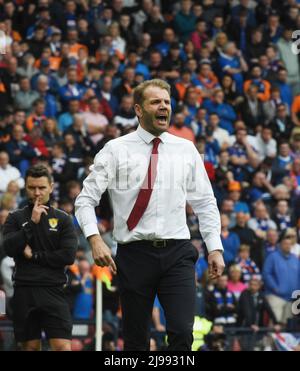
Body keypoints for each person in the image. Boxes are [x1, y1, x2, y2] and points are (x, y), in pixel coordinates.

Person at [75, 79, 225, 351]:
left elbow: (205, 202)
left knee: (181, 332)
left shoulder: (186, 149)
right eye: (156, 102)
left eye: (167, 102)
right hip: (133, 255)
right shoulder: (115, 149)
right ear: (138, 110)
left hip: (178, 252)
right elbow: (85, 200)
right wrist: (94, 238)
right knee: (136, 340)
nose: (163, 106)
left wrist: (214, 247)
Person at [3, 165, 78, 351]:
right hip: (24, 290)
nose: (37, 192)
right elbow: (9, 248)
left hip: (53, 289)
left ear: (51, 187)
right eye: (32, 187)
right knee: (30, 348)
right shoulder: (15, 218)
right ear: (25, 188)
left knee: (62, 347)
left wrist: (35, 255)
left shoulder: (63, 219)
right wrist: (31, 224)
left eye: (42, 187)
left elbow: (68, 256)